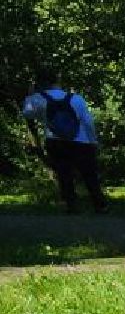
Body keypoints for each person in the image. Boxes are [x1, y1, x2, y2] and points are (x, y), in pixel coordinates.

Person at [20, 74, 107, 214]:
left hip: (55, 141)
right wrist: (93, 140)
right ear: (59, 81)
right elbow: (88, 122)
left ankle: (71, 206)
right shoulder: (76, 99)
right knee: (89, 174)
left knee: (64, 174)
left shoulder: (39, 98)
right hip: (81, 141)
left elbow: (27, 113)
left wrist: (30, 95)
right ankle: (100, 205)